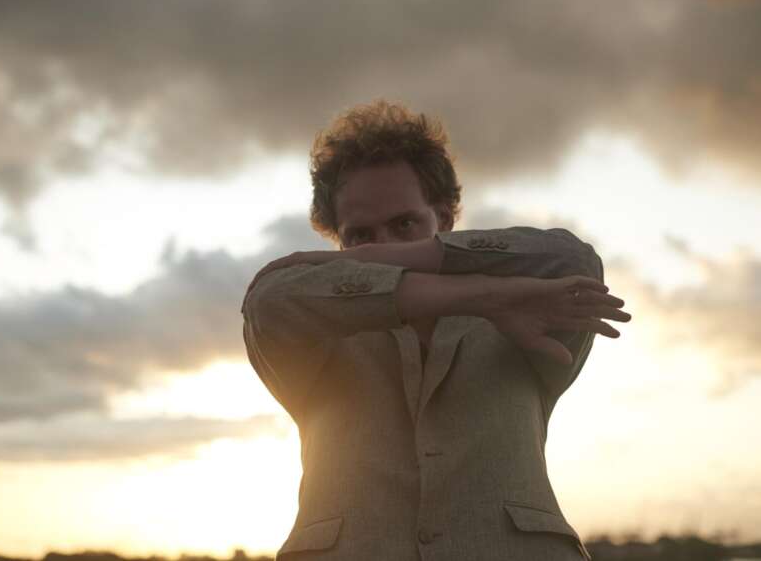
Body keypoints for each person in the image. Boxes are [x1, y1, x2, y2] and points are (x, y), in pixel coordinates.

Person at [240, 100, 631, 560]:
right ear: (337, 240)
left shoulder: (533, 315)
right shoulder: (321, 329)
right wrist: (486, 295)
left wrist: (368, 259)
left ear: (444, 220)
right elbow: (269, 301)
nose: (382, 247)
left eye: (404, 224)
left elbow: (576, 260)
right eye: (360, 236)